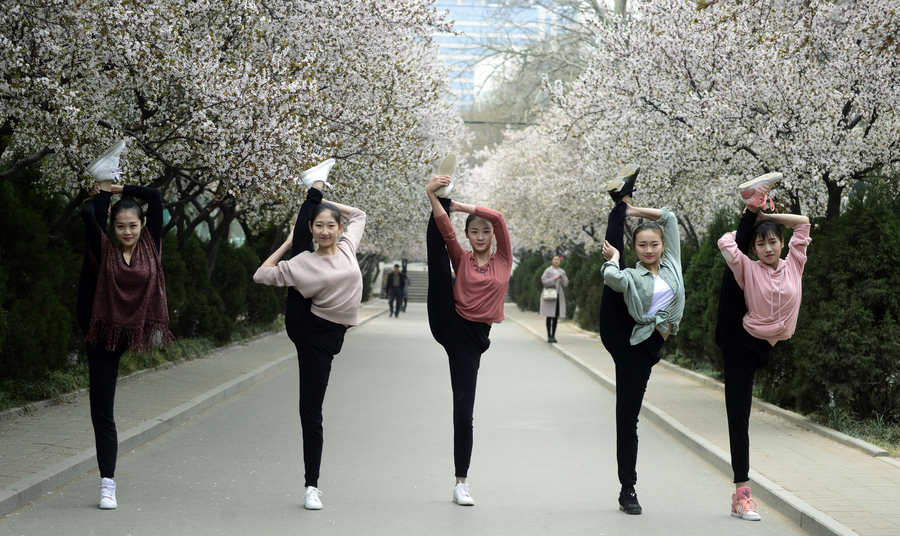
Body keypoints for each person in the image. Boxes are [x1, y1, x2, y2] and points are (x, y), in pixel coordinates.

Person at [253, 159, 366, 511]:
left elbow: (360, 215)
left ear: (337, 227)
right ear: (313, 228)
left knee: (312, 409)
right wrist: (289, 243)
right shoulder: (304, 261)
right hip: (309, 330)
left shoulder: (348, 247)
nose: (325, 231)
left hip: (332, 333)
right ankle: (311, 485)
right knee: (311, 411)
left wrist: (324, 201)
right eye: (318, 226)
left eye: (330, 225)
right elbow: (260, 275)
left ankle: (315, 184)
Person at [79, 139, 173, 510]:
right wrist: (101, 192)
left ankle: (104, 173)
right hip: (99, 326)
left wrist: (115, 185)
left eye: (133, 225)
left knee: (105, 404)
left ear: (142, 225)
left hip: (130, 328)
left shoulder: (152, 242)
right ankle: (107, 482)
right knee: (103, 406)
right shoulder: (104, 246)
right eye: (120, 226)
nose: (128, 232)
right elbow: (89, 215)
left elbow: (155, 194)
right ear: (113, 227)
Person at [715, 172, 811, 522]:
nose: (768, 248)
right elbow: (727, 243)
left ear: (781, 244)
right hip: (740, 341)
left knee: (743, 414)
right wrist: (752, 220)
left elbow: (803, 224)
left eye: (772, 242)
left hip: (766, 346)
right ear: (754, 249)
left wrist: (767, 218)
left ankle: (753, 205)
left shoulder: (795, 265)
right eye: (761, 244)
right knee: (739, 417)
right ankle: (742, 496)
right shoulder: (750, 268)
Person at [598, 164, 685, 515]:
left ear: (663, 246)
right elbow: (610, 277)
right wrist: (615, 260)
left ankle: (621, 201)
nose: (649, 249)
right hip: (627, 340)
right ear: (636, 249)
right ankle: (627, 489)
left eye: (654, 244)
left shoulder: (672, 265)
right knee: (628, 417)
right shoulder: (631, 273)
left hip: (649, 343)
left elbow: (670, 217)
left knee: (629, 416)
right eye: (642, 245)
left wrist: (632, 210)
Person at [425, 169, 512, 507]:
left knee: (463, 411)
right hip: (450, 321)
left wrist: (459, 206)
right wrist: (435, 198)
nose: (479, 235)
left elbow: (500, 219)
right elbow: (447, 231)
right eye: (473, 232)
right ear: (467, 235)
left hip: (475, 338)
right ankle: (435, 195)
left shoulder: (503, 259)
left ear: (492, 236)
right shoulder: (461, 257)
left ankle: (461, 481)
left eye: (484, 231)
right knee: (438, 255)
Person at [540, 255, 569, 343]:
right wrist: (554, 278)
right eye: (554, 259)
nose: (556, 261)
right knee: (549, 316)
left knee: (556, 317)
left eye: (558, 260)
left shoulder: (562, 272)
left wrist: (563, 280)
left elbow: (565, 284)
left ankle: (553, 336)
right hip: (549, 296)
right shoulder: (548, 271)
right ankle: (549, 336)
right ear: (551, 261)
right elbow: (544, 281)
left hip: (558, 296)